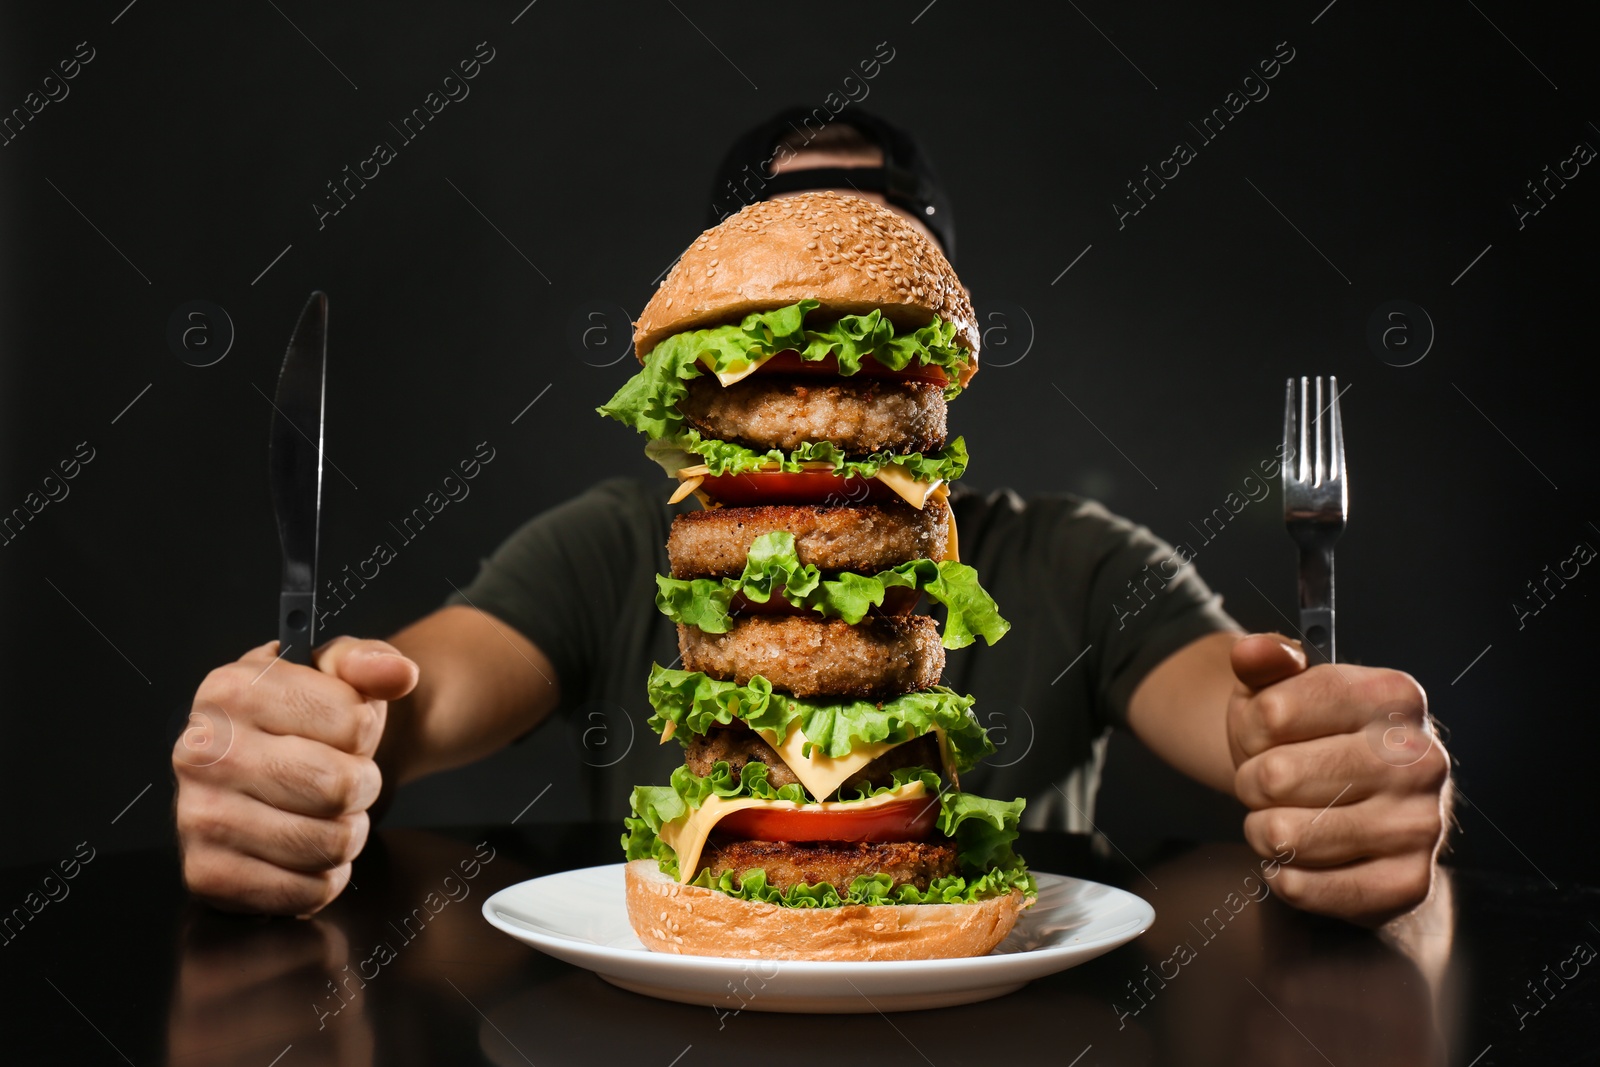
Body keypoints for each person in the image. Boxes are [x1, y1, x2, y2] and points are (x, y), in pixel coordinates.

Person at [174, 109, 1451, 927]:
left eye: (858, 349)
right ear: (710, 357)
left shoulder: (1081, 555)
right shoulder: (614, 542)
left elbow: (1243, 722)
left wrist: (1325, 763)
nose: (817, 388)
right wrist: (313, 745)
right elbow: (410, 706)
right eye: (779, 352)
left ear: (936, 361)